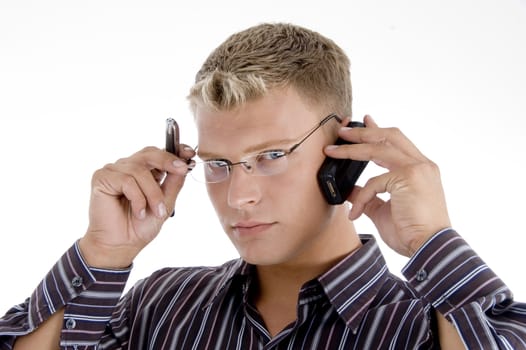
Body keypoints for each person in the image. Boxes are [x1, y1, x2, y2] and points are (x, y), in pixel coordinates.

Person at [1, 22, 525, 350]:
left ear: (345, 153)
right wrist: (103, 252)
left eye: (270, 156)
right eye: (219, 163)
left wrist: (433, 243)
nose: (237, 197)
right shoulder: (160, 307)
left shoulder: (433, 325)